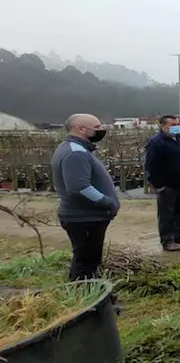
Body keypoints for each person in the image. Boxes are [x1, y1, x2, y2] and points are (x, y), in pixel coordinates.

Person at [51, 114, 119, 280]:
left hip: (86, 217)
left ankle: (92, 296)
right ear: (80, 129)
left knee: (88, 261)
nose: (101, 129)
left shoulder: (73, 148)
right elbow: (79, 187)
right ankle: (87, 300)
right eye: (96, 127)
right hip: (84, 218)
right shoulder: (75, 153)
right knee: (86, 263)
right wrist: (107, 202)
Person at [146, 115, 180, 252]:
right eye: (172, 124)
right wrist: (158, 184)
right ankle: (167, 240)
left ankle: (178, 235)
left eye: (177, 124)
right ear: (163, 126)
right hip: (167, 185)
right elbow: (151, 164)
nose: (176, 127)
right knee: (166, 214)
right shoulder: (156, 142)